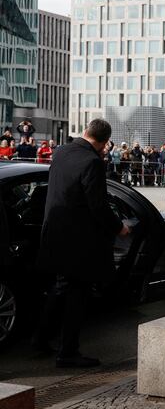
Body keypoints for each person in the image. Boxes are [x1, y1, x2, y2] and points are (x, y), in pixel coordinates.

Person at [32, 119, 130, 367]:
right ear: (104, 142)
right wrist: (119, 227)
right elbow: (97, 205)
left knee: (59, 289)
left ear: (85, 132)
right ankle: (68, 352)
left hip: (54, 235)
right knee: (76, 296)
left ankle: (40, 340)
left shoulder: (62, 151)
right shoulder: (92, 163)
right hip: (79, 244)